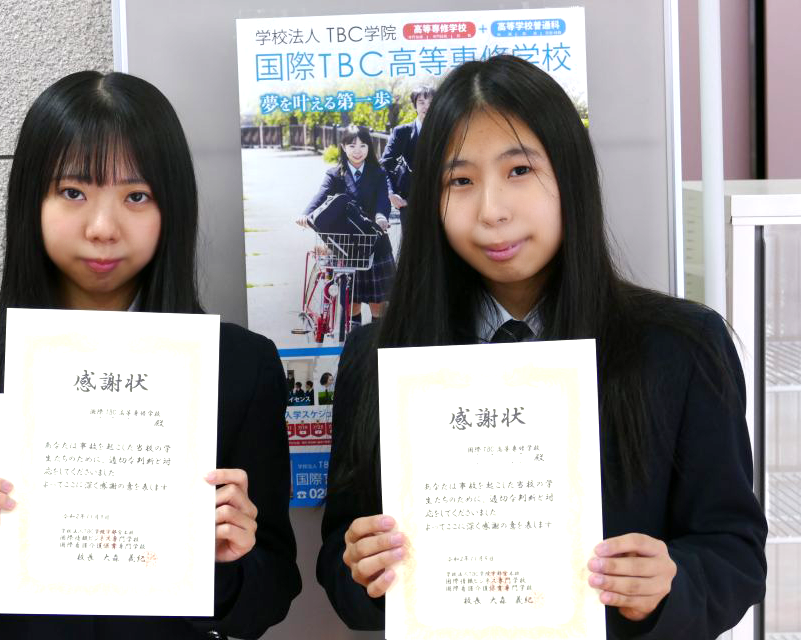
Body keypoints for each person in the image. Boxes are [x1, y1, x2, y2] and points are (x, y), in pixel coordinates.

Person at [316, 56, 766, 639]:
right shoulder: (378, 357)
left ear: (570, 174)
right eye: (460, 181)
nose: (492, 211)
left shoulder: (682, 346)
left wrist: (668, 583)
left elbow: (734, 555)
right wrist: (360, 567)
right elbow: (342, 568)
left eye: (520, 170)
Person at [0, 71, 301, 639]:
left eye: (136, 196)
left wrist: (227, 562)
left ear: (173, 207)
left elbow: (272, 594)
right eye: (73, 192)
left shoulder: (241, 366)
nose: (102, 228)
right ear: (32, 200)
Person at [298, 125, 395, 331]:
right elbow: (320, 196)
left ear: (369, 147)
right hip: (345, 245)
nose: (358, 150)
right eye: (352, 146)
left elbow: (383, 200)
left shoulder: (378, 173)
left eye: (363, 145)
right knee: (351, 303)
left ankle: (377, 342)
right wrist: (305, 214)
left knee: (379, 304)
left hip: (374, 241)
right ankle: (353, 343)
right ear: (343, 147)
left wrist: (381, 216)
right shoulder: (335, 174)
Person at [380, 85, 433, 233]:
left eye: (431, 103)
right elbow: (385, 163)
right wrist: (391, 193)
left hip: (441, 202)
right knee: (412, 244)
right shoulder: (402, 132)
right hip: (409, 201)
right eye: (421, 102)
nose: (426, 107)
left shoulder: (446, 131)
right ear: (415, 105)